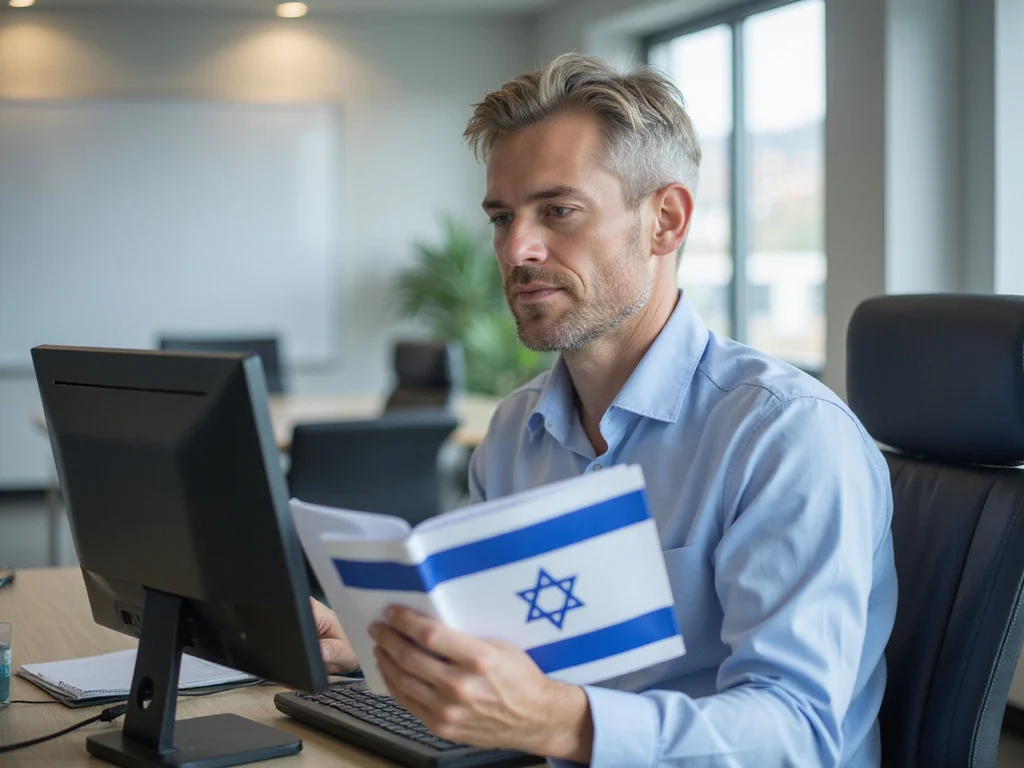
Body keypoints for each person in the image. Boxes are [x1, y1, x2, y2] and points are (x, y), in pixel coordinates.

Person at [312, 53, 897, 767]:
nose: (516, 249)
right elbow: (500, 644)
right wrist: (395, 647)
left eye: (558, 211)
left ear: (666, 221)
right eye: (502, 217)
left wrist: (564, 723)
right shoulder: (513, 432)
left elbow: (796, 732)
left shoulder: (785, 435)